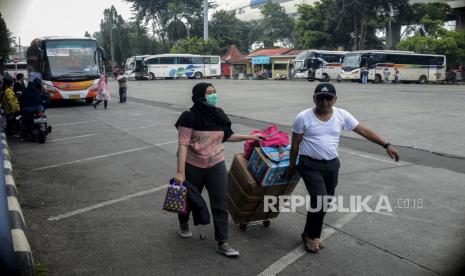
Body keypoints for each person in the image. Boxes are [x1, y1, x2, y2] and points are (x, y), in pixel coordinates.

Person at [286, 83, 399, 254]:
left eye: (328, 98)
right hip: (309, 164)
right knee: (321, 198)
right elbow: (295, 145)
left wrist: (386, 145)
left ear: (335, 99)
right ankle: (311, 236)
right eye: (320, 98)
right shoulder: (303, 117)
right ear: (314, 98)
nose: (324, 101)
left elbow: (363, 130)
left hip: (331, 165)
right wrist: (292, 166)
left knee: (325, 201)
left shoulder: (341, 115)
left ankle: (308, 232)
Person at [174, 82, 264, 257]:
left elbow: (228, 136)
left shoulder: (218, 114)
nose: (213, 95)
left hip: (216, 164)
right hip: (193, 165)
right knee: (189, 200)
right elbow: (183, 145)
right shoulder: (189, 116)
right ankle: (183, 222)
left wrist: (251, 137)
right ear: (199, 95)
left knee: (220, 203)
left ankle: (222, 242)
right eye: (209, 92)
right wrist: (180, 172)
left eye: (214, 92)